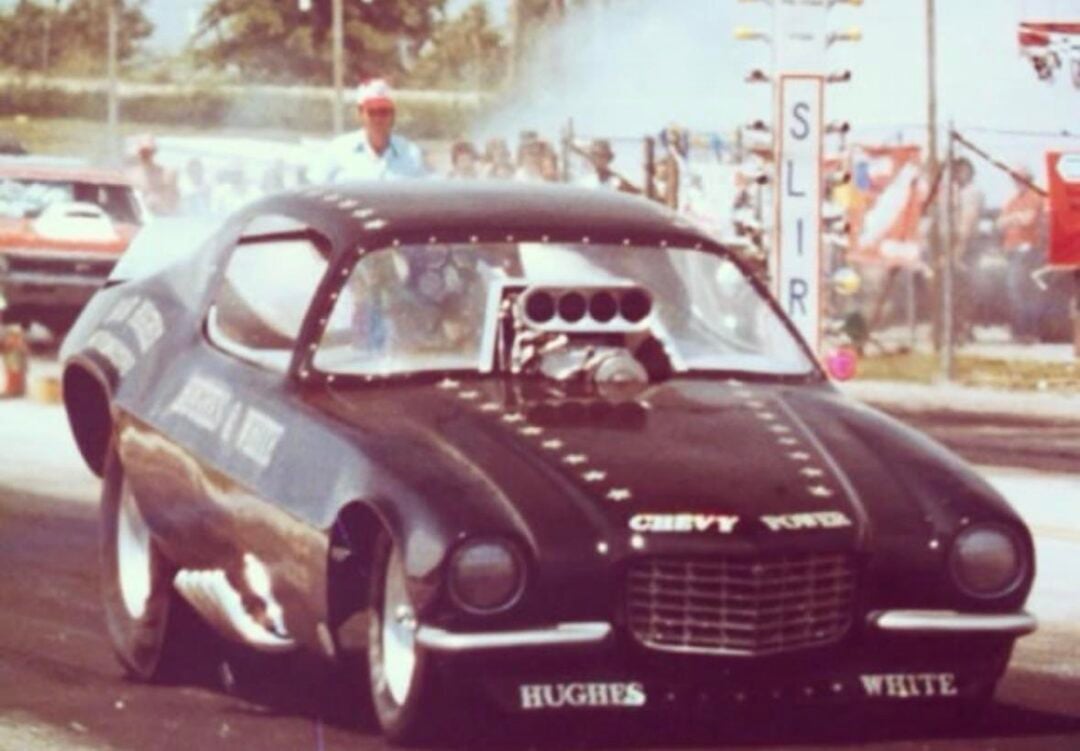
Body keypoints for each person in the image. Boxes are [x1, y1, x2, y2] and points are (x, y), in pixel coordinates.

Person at [314, 79, 426, 182]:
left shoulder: (411, 154)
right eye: (372, 112)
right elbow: (314, 188)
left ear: (393, 114)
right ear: (360, 113)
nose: (378, 118)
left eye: (383, 111)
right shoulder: (338, 150)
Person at [996, 165, 1046, 342]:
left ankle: (1026, 331)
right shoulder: (1013, 199)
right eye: (1015, 178)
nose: (1018, 182)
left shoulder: (1035, 197)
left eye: (1021, 178)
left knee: (1020, 289)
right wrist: (1016, 218)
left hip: (1028, 249)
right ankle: (1020, 330)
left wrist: (1012, 219)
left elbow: (1028, 220)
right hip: (1011, 249)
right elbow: (999, 223)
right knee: (1014, 290)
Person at [951, 157, 984, 343]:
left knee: (965, 287)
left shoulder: (973, 192)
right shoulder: (955, 192)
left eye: (964, 170)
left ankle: (966, 327)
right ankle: (957, 326)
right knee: (955, 287)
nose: (960, 174)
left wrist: (960, 247)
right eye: (957, 170)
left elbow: (968, 220)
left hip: (968, 245)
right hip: (953, 242)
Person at [126, 134, 179, 216]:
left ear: (154, 151)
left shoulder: (168, 174)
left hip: (164, 217)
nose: (145, 155)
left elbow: (174, 201)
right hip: (140, 217)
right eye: (143, 151)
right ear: (138, 152)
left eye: (148, 151)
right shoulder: (130, 175)